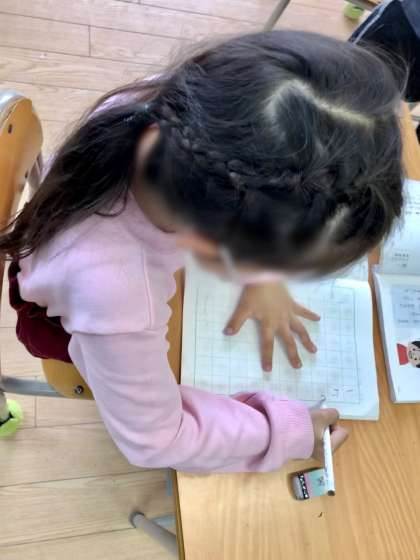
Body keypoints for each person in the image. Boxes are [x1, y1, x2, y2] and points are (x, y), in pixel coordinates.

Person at [1, 31, 404, 472]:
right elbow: (157, 439)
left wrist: (261, 273)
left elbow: (267, 168)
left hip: (63, 253)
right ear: (212, 247)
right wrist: (291, 431)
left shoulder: (169, 112)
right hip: (62, 324)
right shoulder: (119, 297)